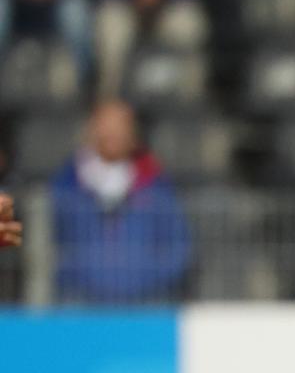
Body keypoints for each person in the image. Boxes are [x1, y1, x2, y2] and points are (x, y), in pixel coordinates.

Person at [50, 101, 194, 304]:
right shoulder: (66, 184)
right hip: (80, 304)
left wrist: (151, 281)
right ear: (92, 130)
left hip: (144, 304)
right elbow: (48, 241)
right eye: (105, 126)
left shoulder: (157, 184)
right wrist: (74, 277)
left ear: (133, 133)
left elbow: (177, 245)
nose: (112, 134)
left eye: (120, 126)